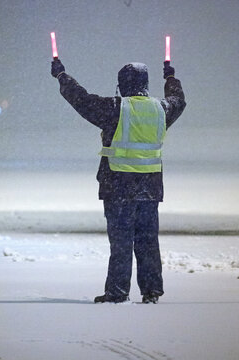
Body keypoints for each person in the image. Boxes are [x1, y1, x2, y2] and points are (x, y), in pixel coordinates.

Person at [51, 59, 186, 304]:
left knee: (121, 242)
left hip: (118, 185)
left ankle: (117, 292)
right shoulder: (161, 109)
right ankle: (152, 291)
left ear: (123, 84)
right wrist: (170, 79)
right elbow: (179, 100)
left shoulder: (116, 108)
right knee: (147, 241)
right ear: (145, 83)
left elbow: (81, 100)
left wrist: (62, 75)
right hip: (150, 187)